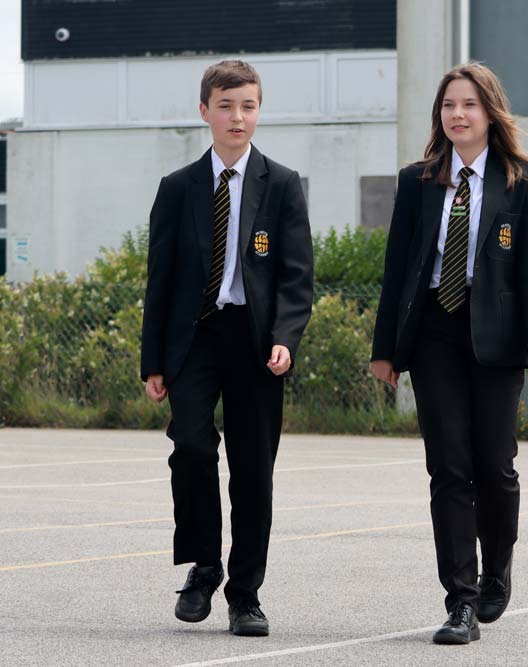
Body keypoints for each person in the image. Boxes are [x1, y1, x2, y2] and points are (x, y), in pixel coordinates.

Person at [370, 62, 528, 645]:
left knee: (494, 466)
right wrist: (385, 349)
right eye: (449, 105)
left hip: (497, 335)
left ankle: (496, 568)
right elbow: (398, 268)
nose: (458, 114)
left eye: (469, 105)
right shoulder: (417, 181)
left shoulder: (521, 179)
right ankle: (461, 602)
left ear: (490, 113)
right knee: (448, 467)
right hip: (434, 332)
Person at [140, 60, 313, 637]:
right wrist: (153, 361)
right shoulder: (177, 187)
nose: (237, 117)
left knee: (253, 469)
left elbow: (296, 276)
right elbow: (160, 279)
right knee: (190, 446)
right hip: (193, 338)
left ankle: (245, 595)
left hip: (255, 341)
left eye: (248, 106)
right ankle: (204, 565)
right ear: (205, 111)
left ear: (259, 112)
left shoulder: (282, 184)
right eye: (226, 106)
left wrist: (285, 337)